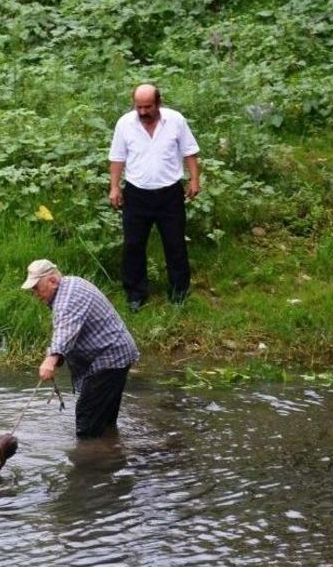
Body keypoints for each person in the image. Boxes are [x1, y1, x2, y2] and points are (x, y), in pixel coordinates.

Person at [22, 259, 139, 438]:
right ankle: (112, 453)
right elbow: (68, 330)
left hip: (109, 359)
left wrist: (51, 359)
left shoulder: (67, 299)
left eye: (37, 288)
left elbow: (65, 331)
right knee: (105, 421)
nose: (35, 294)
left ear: (52, 281)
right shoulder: (71, 284)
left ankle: (88, 462)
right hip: (115, 354)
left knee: (87, 425)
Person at [108, 83, 201, 310]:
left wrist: (194, 180)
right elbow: (117, 158)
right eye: (138, 107)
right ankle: (135, 294)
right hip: (137, 194)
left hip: (169, 194)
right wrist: (114, 187)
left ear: (159, 103)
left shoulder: (176, 121)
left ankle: (179, 291)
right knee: (133, 245)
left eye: (147, 107)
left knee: (175, 243)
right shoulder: (125, 124)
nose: (142, 112)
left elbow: (190, 151)